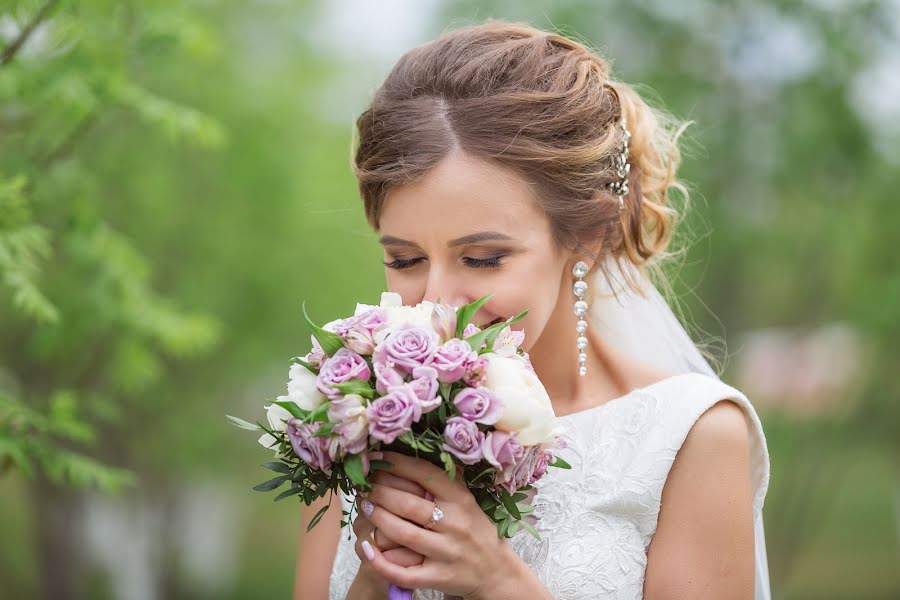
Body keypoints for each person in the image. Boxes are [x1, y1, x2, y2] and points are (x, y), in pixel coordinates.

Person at [295, 18, 771, 600]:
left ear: (587, 238)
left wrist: (498, 582)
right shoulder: (352, 418)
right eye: (405, 259)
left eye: (484, 258)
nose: (440, 302)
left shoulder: (690, 436)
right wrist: (376, 575)